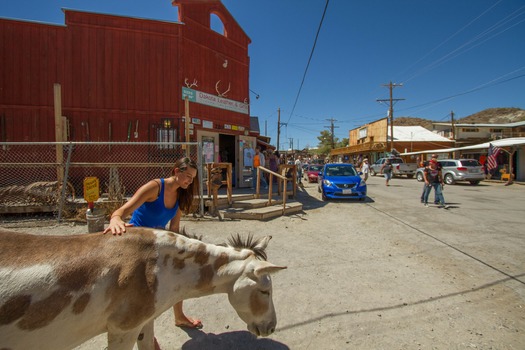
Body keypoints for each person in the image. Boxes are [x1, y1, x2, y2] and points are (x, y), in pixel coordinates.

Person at [103, 157, 203, 329]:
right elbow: (122, 211)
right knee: (144, 290)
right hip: (136, 242)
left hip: (155, 243)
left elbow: (174, 227)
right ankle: (145, 335)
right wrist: (115, 220)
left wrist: (179, 251)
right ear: (176, 171)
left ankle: (179, 317)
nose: (189, 180)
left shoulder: (181, 194)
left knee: (178, 270)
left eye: (192, 177)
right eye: (187, 175)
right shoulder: (155, 187)